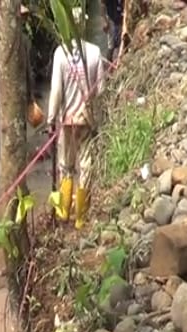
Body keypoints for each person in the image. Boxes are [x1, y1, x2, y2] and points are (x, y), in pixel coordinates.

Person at [47, 16, 105, 230]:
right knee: (86, 167)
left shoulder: (60, 53)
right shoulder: (95, 52)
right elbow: (100, 91)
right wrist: (99, 119)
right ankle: (81, 218)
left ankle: (63, 213)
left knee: (66, 167)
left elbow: (56, 92)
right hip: (86, 120)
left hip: (67, 121)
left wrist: (50, 120)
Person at [0, 4, 36, 152]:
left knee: (19, 124)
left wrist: (31, 95)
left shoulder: (24, 41)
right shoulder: (1, 40)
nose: (23, 20)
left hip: (20, 88)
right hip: (5, 88)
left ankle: (17, 150)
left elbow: (28, 68)